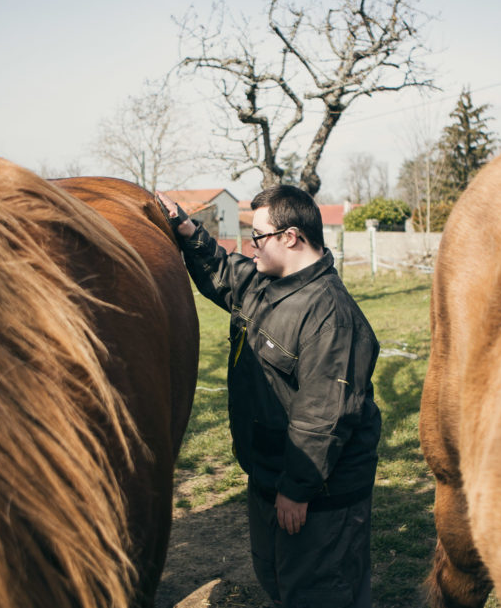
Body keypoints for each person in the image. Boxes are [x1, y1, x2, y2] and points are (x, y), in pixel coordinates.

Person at [157, 185, 381, 608]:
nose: (249, 246)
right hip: (271, 473)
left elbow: (324, 417)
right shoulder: (269, 285)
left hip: (319, 493)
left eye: (257, 237)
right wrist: (187, 230)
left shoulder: (331, 317)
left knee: (319, 591)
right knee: (279, 578)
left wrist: (297, 490)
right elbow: (224, 272)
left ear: (291, 237)